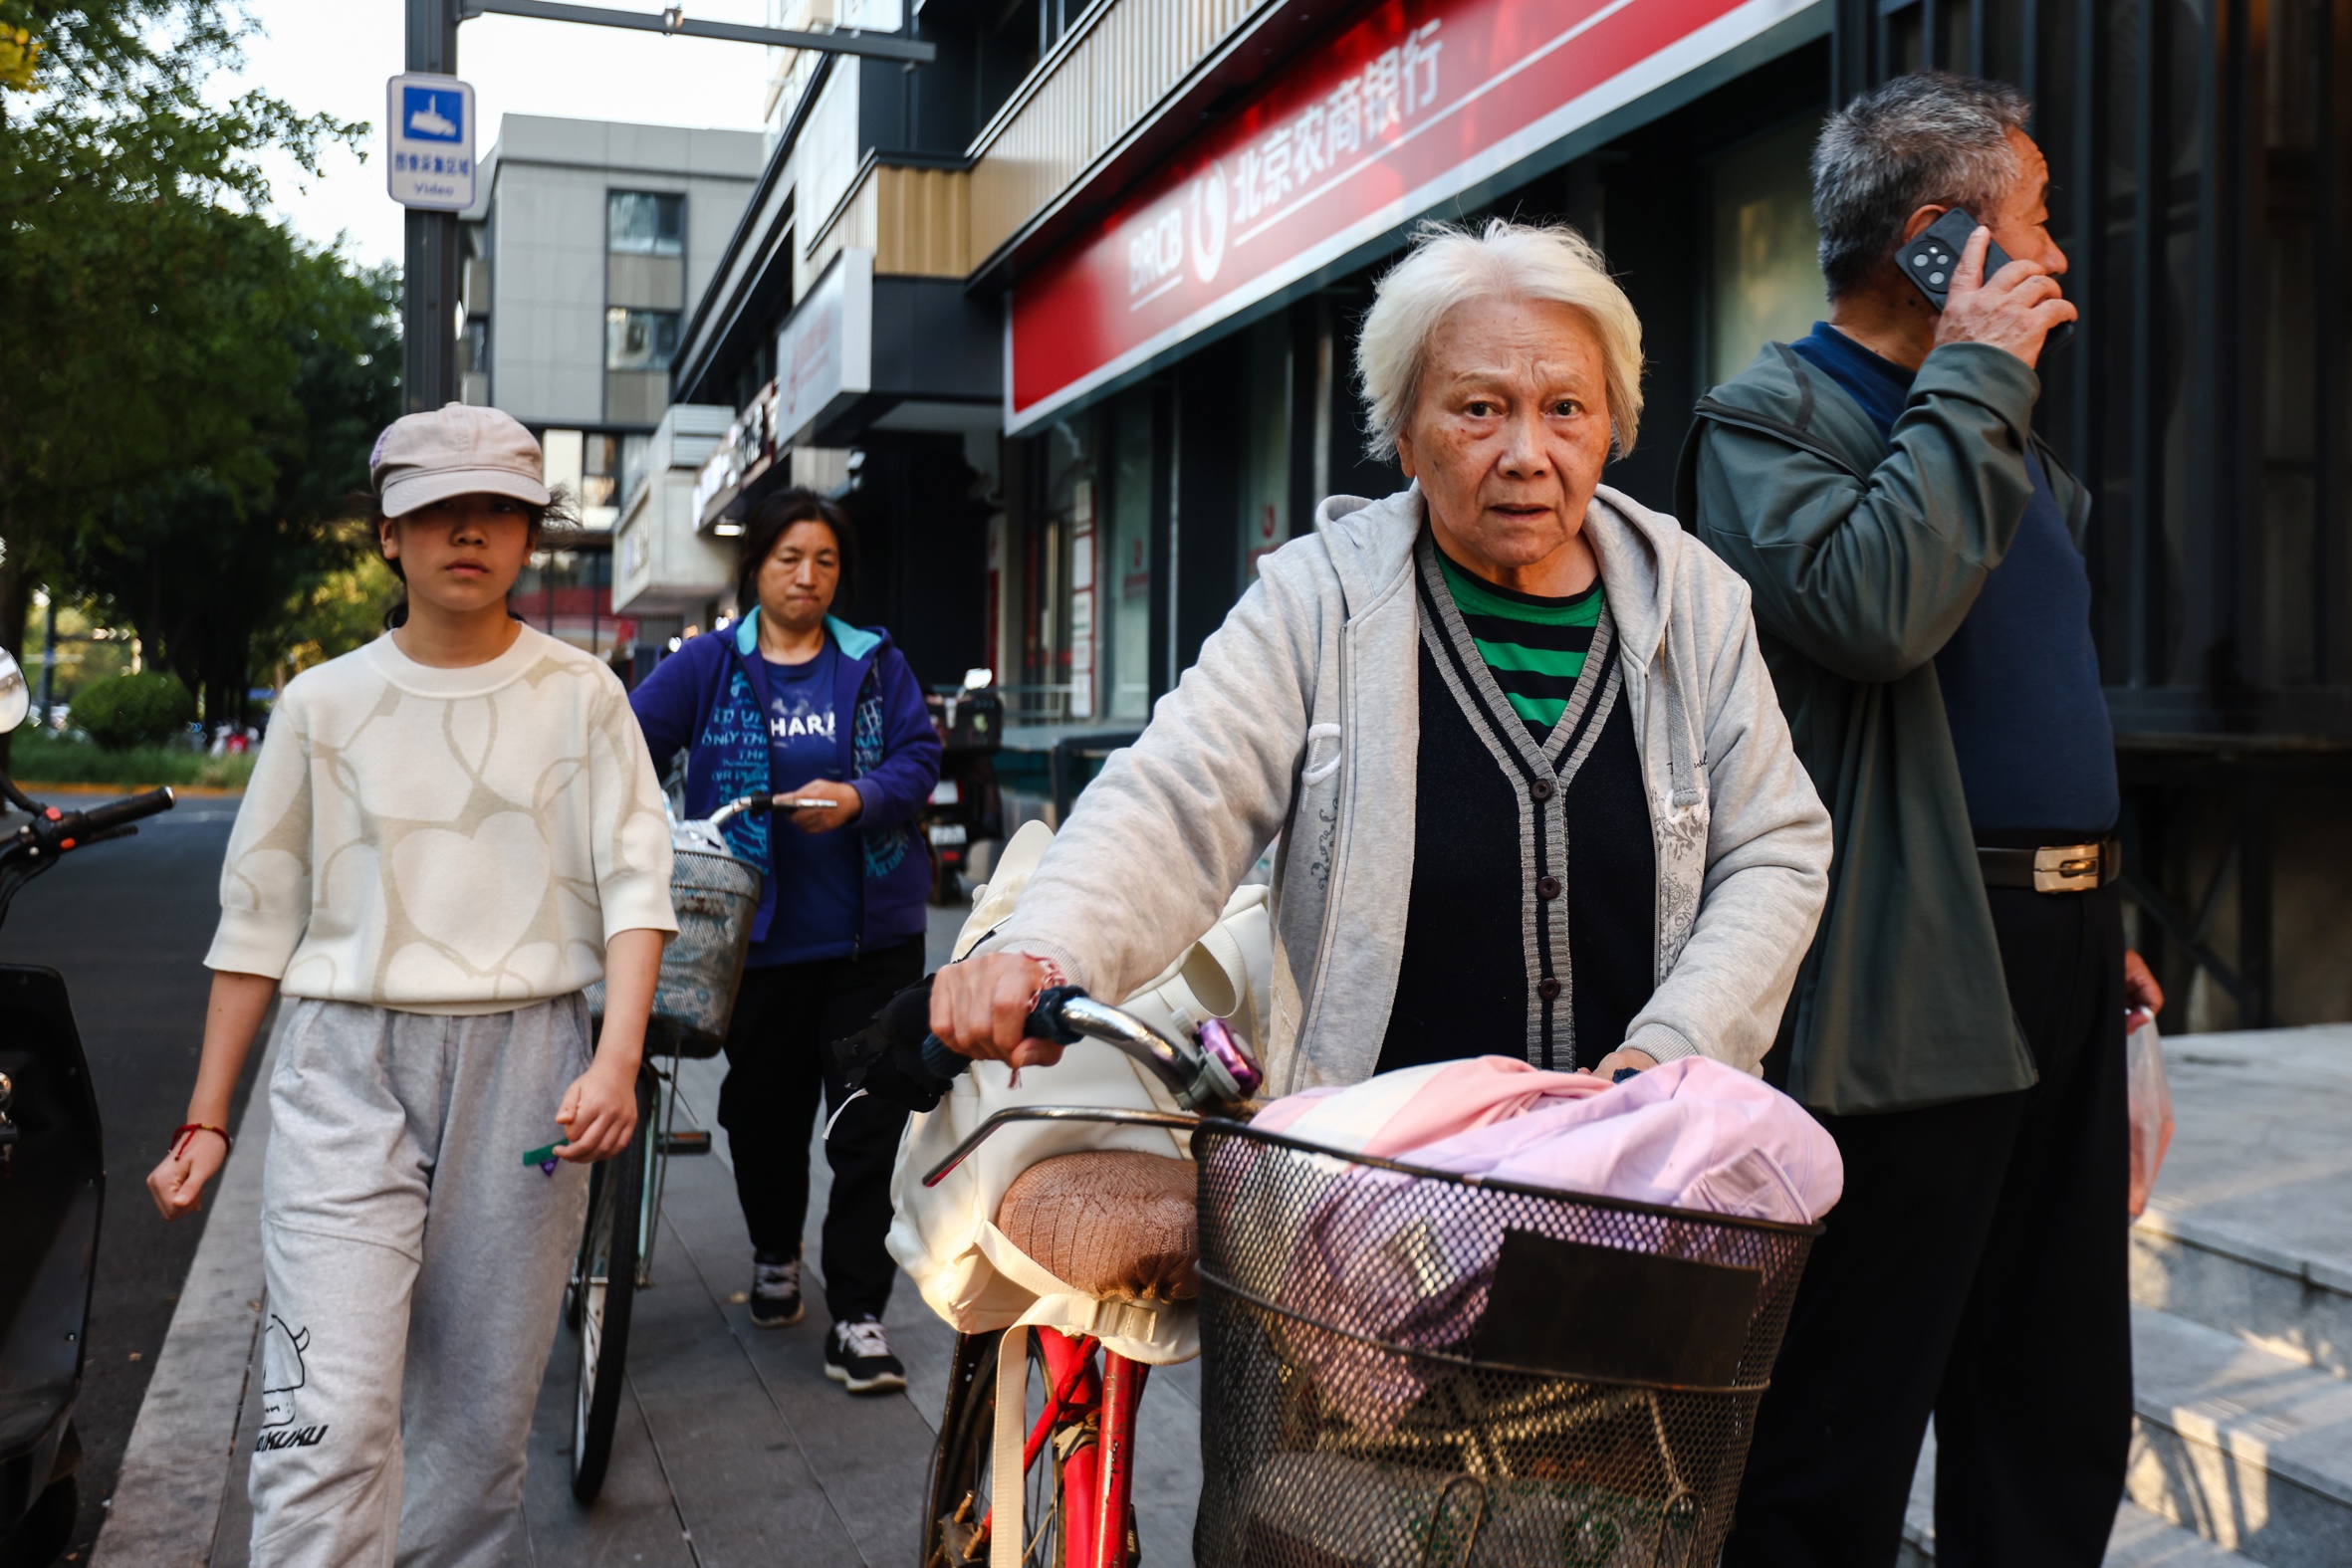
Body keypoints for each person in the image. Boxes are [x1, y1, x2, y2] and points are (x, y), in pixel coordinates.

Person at [929, 220, 1833, 1114]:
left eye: (1565, 408)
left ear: (1612, 427)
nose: (1527, 453)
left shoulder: (1694, 603)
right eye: (1480, 408)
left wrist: (1668, 1053)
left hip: (1641, 1171)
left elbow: (1774, 846)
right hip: (1379, 1192)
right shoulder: (1316, 603)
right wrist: (1044, 948)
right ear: (1404, 433)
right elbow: (1175, 798)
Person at [1676, 73, 2167, 1568]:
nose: (2058, 257)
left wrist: (2112, 928)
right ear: (1939, 243)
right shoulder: (1765, 419)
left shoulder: (2004, 433)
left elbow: (2033, 692)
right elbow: (1872, 608)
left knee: (2056, 1388)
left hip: (2067, 944)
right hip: (1914, 954)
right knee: (1851, 1399)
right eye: (2030, 222)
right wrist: (1968, 373)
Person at [143, 402, 676, 1566]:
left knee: (479, 1433)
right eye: (437, 509)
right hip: (343, 1065)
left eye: (496, 510)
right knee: (320, 1420)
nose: (467, 533)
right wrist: (207, 1113)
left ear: (530, 535)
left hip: (531, 1068)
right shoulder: (320, 705)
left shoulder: (584, 696)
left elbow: (640, 883)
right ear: (387, 531)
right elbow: (258, 919)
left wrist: (616, 1057)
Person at [628, 488, 941, 1393]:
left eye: (826, 561)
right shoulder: (708, 667)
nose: (808, 576)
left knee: (866, 1124)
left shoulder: (873, 662)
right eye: (789, 558)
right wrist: (642, 831)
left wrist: (861, 797)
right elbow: (628, 742)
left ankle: (857, 1313)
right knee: (758, 1124)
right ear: (756, 567)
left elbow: (917, 759)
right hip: (748, 945)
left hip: (869, 943)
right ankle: (774, 1249)